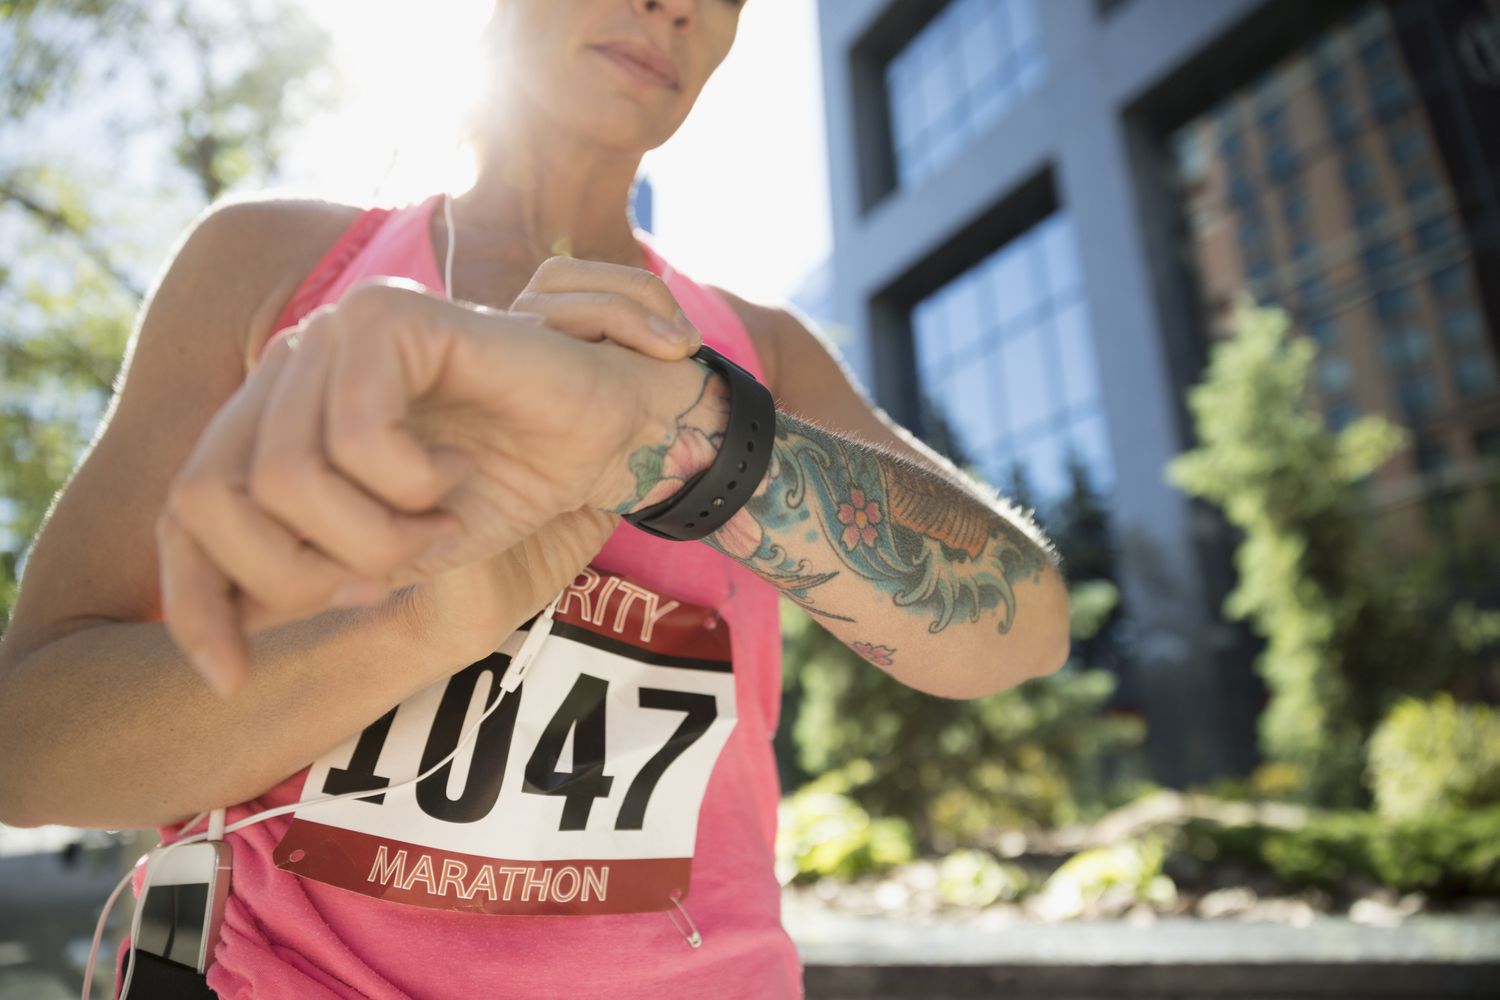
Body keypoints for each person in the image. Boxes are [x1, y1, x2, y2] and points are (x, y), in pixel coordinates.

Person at [0, 1, 1071, 997]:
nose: (674, 3)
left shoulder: (763, 355)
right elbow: (28, 748)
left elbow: (1025, 626)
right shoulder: (272, 270)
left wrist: (678, 439)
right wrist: (422, 620)